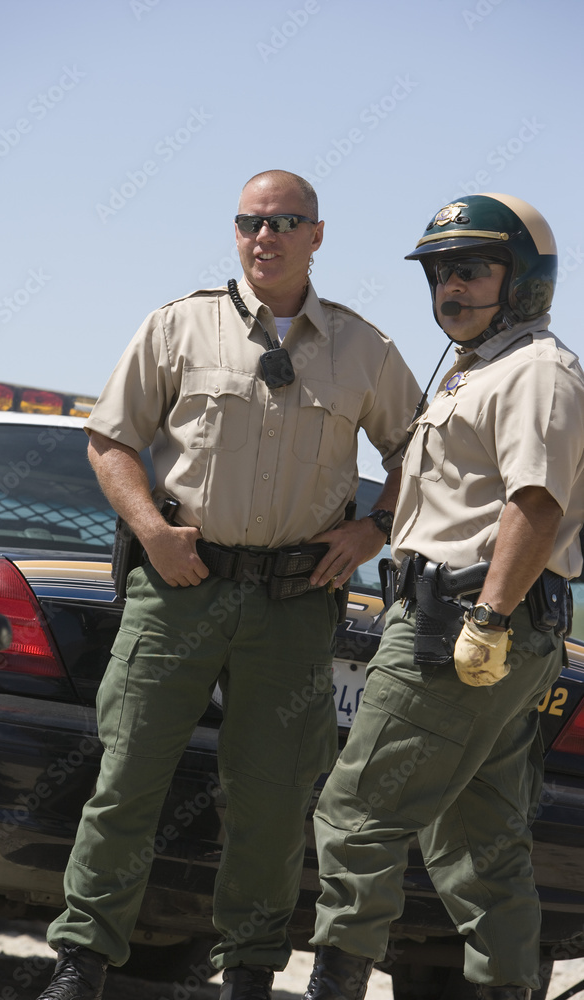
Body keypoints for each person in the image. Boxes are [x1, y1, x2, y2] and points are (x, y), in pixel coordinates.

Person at [34, 169, 421, 1000]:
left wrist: (369, 529)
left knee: (274, 798)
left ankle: (248, 971)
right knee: (127, 777)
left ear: (317, 235)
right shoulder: (179, 326)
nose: (264, 237)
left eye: (284, 222)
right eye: (249, 222)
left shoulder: (365, 349)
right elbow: (109, 440)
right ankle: (81, 963)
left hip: (291, 602)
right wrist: (151, 532)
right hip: (180, 586)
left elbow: (418, 457)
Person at [302, 193, 584, 1000]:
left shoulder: (535, 369)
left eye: (470, 270)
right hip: (476, 627)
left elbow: (536, 505)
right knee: (479, 845)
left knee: (356, 818)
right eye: (438, 273)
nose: (449, 288)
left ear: (524, 280)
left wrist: (487, 619)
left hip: (460, 628)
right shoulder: (480, 369)